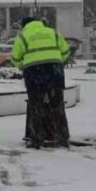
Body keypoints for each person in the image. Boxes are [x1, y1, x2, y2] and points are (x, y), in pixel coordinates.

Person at [11, 16, 71, 148]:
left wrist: (24, 64)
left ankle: (37, 139)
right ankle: (62, 137)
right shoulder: (54, 32)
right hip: (55, 71)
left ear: (24, 25)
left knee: (35, 105)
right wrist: (56, 60)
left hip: (34, 72)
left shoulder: (22, 36)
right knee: (57, 105)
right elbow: (66, 52)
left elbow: (15, 58)